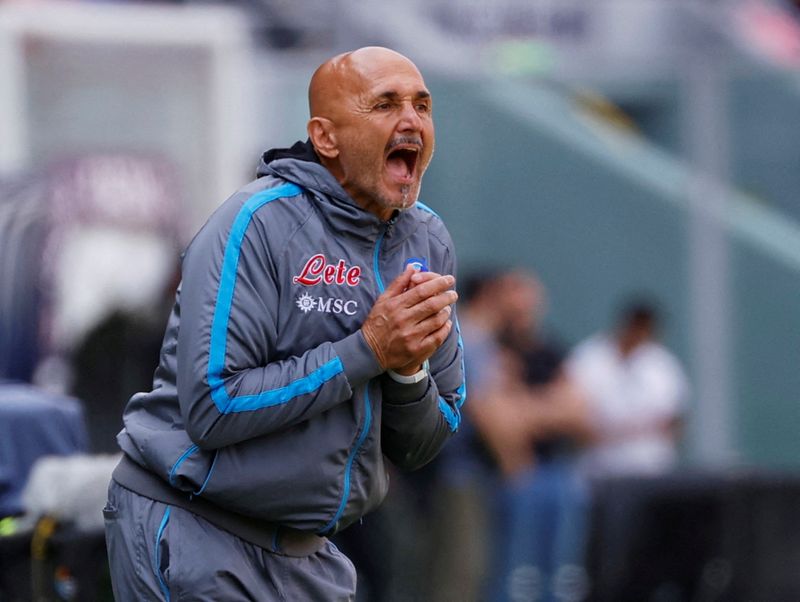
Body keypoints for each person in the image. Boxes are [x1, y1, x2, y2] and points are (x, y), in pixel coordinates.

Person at [103, 46, 465, 601]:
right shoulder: (255, 223)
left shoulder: (427, 239)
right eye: (386, 104)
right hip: (196, 528)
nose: (411, 120)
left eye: (422, 104)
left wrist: (409, 373)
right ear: (325, 138)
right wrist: (369, 347)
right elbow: (214, 407)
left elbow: (424, 443)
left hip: (308, 551)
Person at [566, 299, 689, 478]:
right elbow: (575, 423)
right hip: (599, 472)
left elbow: (676, 420)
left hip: (653, 471)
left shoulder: (662, 363)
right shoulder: (588, 358)